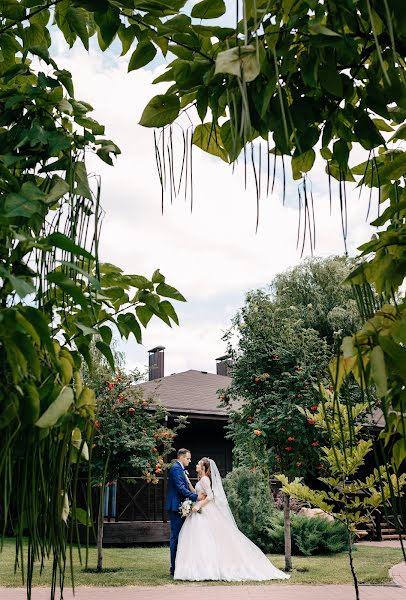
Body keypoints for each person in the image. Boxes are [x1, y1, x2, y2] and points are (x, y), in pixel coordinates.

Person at [174, 457, 290, 581]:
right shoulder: (201, 479)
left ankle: (206, 568)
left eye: (199, 464)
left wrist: (198, 506)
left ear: (203, 468)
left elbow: (211, 496)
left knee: (206, 537)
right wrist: (189, 484)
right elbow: (199, 493)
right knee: (199, 538)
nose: (196, 465)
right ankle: (199, 567)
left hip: (205, 510)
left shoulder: (204, 479)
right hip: (201, 510)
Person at [166, 448, 206, 576]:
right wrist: (196, 497)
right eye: (188, 458)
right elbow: (180, 488)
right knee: (176, 537)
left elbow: (185, 486)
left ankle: (181, 566)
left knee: (182, 537)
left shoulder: (180, 469)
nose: (189, 461)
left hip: (181, 505)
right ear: (181, 457)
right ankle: (174, 568)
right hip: (176, 506)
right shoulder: (176, 469)